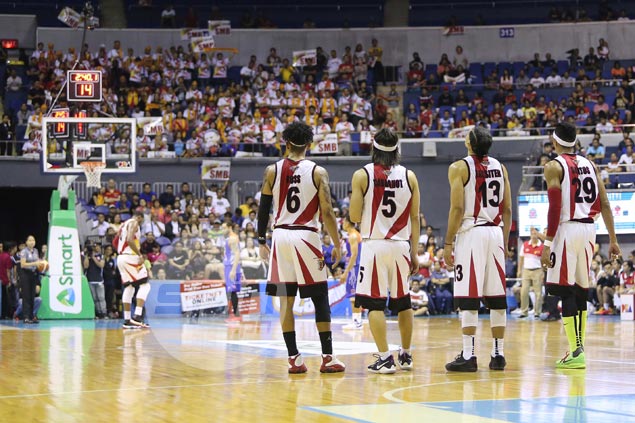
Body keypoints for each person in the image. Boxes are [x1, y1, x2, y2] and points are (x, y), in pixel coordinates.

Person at [258, 121, 345, 374]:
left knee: (286, 299)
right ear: (310, 144)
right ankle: (328, 357)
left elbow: (263, 209)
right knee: (320, 298)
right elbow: (327, 211)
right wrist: (337, 243)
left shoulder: (271, 170)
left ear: (285, 143)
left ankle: (294, 359)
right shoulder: (318, 172)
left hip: (281, 235)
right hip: (306, 236)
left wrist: (262, 240)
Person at [540, 122, 620, 369]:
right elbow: (605, 204)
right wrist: (614, 240)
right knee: (580, 289)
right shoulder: (591, 164)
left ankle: (576, 350)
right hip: (589, 230)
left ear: (554, 142)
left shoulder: (553, 166)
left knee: (564, 289)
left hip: (566, 229)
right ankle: (578, 348)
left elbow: (554, 208)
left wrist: (548, 242)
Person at [349, 128, 420, 374]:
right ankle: (407, 354)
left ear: (374, 148)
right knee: (403, 302)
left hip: (374, 245)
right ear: (397, 150)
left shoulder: (362, 175)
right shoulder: (410, 176)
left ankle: (385, 358)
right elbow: (415, 218)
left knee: (374, 304)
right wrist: (414, 251)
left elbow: (354, 216)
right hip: (401, 245)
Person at [444, 127, 512, 372]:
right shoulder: (500, 167)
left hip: (472, 233)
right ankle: (498, 355)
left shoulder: (459, 167)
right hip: (495, 232)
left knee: (469, 297)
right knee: (496, 299)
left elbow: (457, 209)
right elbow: (507, 211)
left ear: (470, 143)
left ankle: (469, 355)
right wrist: (503, 241)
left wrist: (448, 242)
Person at [115, 212, 151, 329]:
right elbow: (130, 239)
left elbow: (115, 242)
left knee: (129, 287)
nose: (140, 223)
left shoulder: (122, 225)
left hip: (121, 258)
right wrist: (139, 254)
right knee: (145, 285)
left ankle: (127, 319)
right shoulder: (134, 223)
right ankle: (137, 316)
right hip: (130, 257)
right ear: (139, 217)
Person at [340, 216, 363, 330]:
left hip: (354, 268)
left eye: (344, 221)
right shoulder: (354, 235)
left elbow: (354, 255)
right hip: (354, 266)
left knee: (354, 296)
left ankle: (357, 322)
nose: (342, 223)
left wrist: (346, 272)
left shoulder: (353, 235)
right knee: (354, 296)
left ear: (348, 223)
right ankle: (357, 320)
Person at [516, 227, 545, 318]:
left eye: (535, 233)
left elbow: (544, 260)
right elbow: (521, 258)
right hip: (526, 270)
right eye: (531, 233)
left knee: (538, 293)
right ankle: (524, 312)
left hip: (538, 270)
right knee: (524, 291)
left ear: (538, 235)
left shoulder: (542, 246)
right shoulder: (524, 245)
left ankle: (537, 312)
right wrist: (519, 270)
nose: (533, 235)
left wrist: (543, 271)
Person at [19, 235, 42, 324]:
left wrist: (41, 264)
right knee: (26, 296)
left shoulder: (36, 251)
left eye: (33, 240)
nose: (32, 242)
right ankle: (26, 317)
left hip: (34, 274)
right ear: (26, 242)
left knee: (32, 296)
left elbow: (38, 262)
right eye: (30, 240)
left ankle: (32, 316)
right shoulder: (24, 251)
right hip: (25, 275)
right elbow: (23, 264)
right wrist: (34, 263)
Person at [223, 223, 242, 322]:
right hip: (228, 266)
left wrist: (233, 270)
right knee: (230, 290)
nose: (222, 230)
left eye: (224, 228)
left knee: (233, 290)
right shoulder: (229, 238)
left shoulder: (233, 238)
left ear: (229, 227)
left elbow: (237, 253)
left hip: (231, 266)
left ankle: (236, 314)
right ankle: (234, 313)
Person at [83, 243, 106, 319]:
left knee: (101, 297)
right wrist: (87, 256)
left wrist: (93, 257)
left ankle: (103, 313)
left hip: (99, 280)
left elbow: (101, 265)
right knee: (94, 298)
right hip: (90, 280)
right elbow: (86, 266)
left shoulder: (100, 256)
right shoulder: (87, 257)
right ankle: (97, 313)